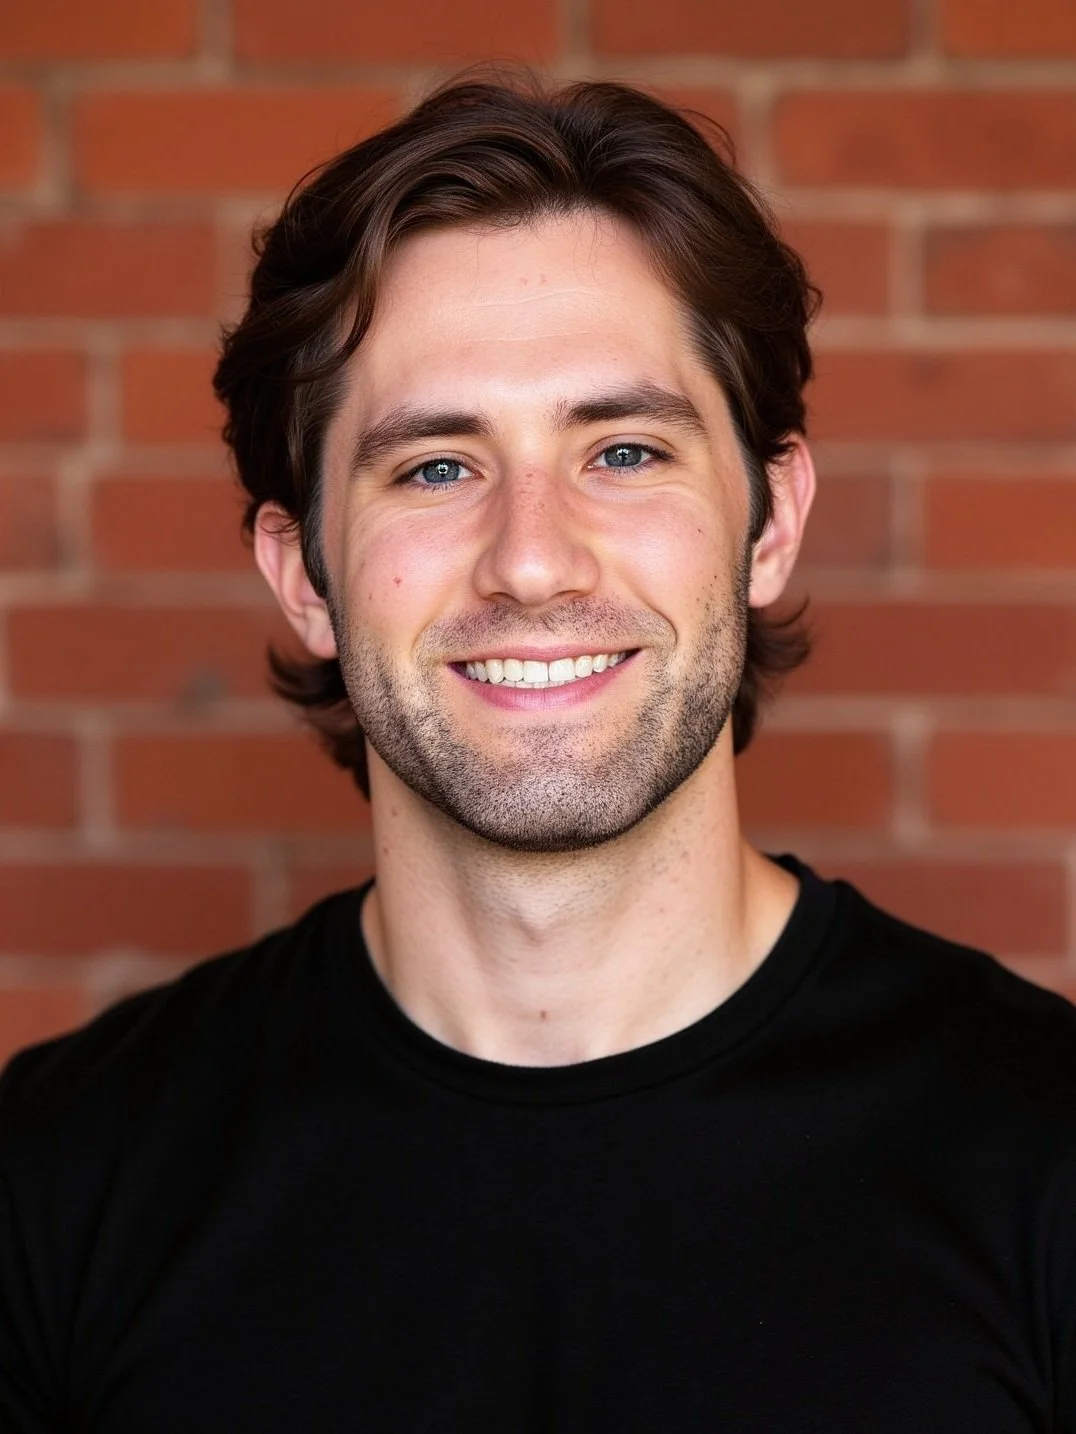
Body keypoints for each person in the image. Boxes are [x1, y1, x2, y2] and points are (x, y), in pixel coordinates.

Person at [1, 76, 1073, 1433]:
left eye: (623, 450)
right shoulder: (61, 1181)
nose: (531, 560)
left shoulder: (1042, 1155)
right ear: (306, 573)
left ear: (771, 519)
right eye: (436, 468)